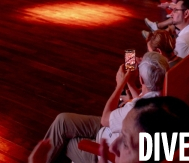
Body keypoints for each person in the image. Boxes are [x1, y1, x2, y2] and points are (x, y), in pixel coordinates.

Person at [33, 52, 169, 163]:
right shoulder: (161, 95)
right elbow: (140, 100)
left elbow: (105, 118)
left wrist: (120, 83)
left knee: (62, 144)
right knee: (62, 120)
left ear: (142, 80)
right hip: (110, 130)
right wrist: (131, 84)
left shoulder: (135, 108)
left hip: (103, 148)